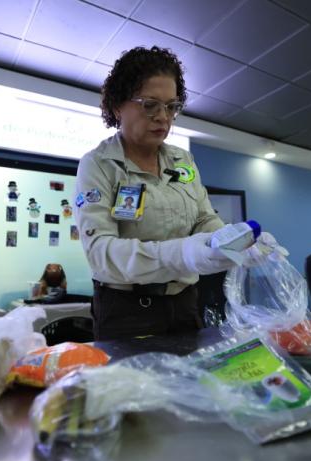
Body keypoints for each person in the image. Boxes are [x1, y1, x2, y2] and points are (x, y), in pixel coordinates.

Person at [75, 46, 241, 340]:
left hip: (185, 304)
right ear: (117, 106)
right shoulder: (99, 165)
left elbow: (204, 218)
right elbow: (101, 253)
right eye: (150, 105)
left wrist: (233, 241)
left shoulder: (183, 161)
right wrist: (182, 254)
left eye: (171, 106)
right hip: (126, 311)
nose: (163, 117)